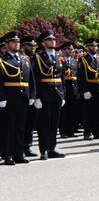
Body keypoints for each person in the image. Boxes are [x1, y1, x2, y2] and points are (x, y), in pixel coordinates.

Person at [0, 31, 36, 165]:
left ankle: (18, 154)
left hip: (23, 98)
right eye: (13, 42)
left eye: (18, 42)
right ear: (7, 44)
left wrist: (32, 95)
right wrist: (1, 97)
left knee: (20, 127)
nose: (17, 44)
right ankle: (7, 155)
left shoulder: (25, 59)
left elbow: (31, 80)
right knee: (8, 128)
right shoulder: (2, 60)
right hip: (9, 98)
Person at [33, 30, 65, 160]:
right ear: (43, 42)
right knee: (44, 124)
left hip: (57, 94)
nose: (53, 41)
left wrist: (63, 95)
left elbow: (62, 77)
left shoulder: (59, 56)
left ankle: (52, 148)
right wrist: (37, 97)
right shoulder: (38, 57)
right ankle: (44, 150)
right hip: (45, 94)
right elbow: (35, 78)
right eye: (49, 40)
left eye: (53, 39)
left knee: (54, 124)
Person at [78, 38, 99, 140]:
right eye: (92, 46)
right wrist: (84, 90)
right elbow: (80, 77)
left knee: (98, 111)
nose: (94, 47)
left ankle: (97, 132)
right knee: (88, 112)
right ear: (87, 47)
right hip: (89, 87)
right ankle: (87, 132)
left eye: (95, 46)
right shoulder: (83, 59)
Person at [20, 35, 39, 157]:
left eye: (34, 46)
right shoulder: (21, 58)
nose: (32, 48)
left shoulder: (38, 58)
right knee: (20, 123)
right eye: (29, 45)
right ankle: (17, 148)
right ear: (23, 46)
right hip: (21, 94)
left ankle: (27, 146)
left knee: (30, 123)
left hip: (34, 94)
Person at [59, 41, 79, 138]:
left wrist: (78, 90)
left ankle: (71, 130)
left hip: (73, 88)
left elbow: (78, 76)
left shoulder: (75, 61)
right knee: (64, 111)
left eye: (71, 49)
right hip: (64, 87)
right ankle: (63, 131)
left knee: (73, 110)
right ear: (63, 50)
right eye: (68, 49)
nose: (71, 51)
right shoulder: (60, 60)